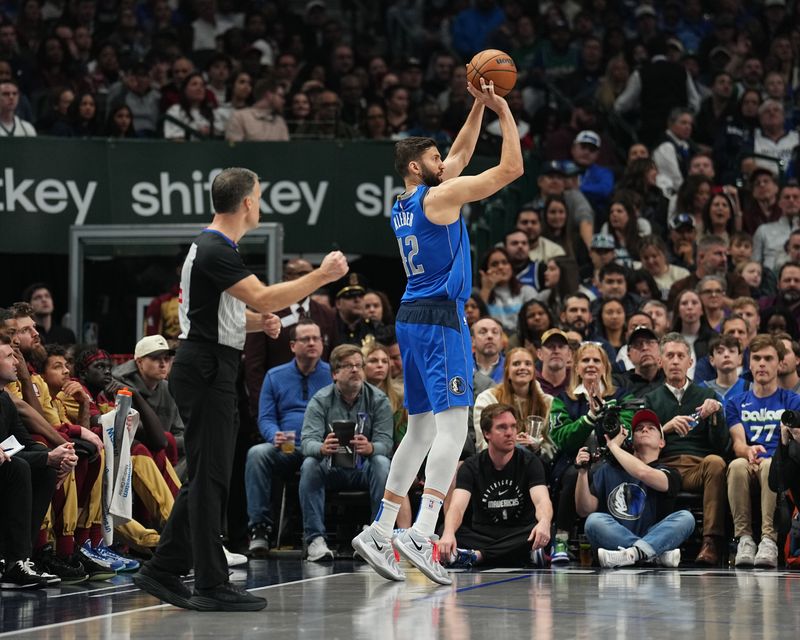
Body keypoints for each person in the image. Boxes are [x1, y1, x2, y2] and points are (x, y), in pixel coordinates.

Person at [133, 167, 348, 612]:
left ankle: (169, 567)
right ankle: (204, 580)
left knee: (211, 477)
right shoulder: (215, 248)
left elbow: (212, 312)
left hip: (211, 362)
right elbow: (265, 296)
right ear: (247, 202)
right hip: (207, 367)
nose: (261, 203)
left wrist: (254, 322)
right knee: (209, 477)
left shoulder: (215, 247)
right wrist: (322, 276)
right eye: (261, 196)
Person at [353, 77, 523, 585]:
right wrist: (505, 111)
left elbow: (459, 157)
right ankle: (422, 532)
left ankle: (381, 528)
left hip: (409, 318)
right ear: (416, 167)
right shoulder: (438, 200)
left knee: (422, 429)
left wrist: (477, 106)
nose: (444, 163)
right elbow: (510, 168)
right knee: (452, 429)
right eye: (434, 159)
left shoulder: (403, 205)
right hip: (440, 319)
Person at [245, 318, 331, 556]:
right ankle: (259, 530)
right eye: (306, 339)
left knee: (313, 464)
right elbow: (265, 418)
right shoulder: (275, 375)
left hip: (321, 447)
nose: (312, 343)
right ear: (293, 345)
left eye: (316, 338)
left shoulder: (333, 373)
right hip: (289, 446)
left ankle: (315, 537)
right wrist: (274, 435)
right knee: (257, 453)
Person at [299, 344, 393, 562]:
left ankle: (375, 536)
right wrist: (321, 448)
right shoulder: (320, 400)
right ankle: (315, 539)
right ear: (334, 373)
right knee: (310, 464)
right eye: (348, 366)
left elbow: (386, 443)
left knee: (381, 463)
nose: (355, 370)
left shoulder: (378, 400)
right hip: (332, 468)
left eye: (359, 365)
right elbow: (306, 443)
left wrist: (371, 448)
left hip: (363, 468)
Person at [643, 333, 729, 565]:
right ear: (660, 361)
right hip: (664, 467)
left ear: (690, 362)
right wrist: (665, 428)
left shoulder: (706, 395)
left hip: (696, 468)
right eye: (669, 355)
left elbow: (721, 446)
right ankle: (650, 540)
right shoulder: (650, 400)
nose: (675, 361)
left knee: (716, 462)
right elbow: (640, 444)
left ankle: (711, 542)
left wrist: (716, 416)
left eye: (681, 355)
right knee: (643, 469)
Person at [575, 409, 696, 568]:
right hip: (616, 537)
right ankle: (651, 554)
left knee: (686, 518)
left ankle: (632, 554)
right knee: (593, 521)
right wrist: (582, 473)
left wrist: (613, 447)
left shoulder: (669, 472)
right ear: (632, 441)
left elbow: (643, 472)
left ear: (662, 442)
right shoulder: (608, 469)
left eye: (651, 428)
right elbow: (584, 510)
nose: (645, 429)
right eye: (639, 429)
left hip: (651, 533)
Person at [438, 403, 553, 568]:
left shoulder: (530, 462)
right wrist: (448, 534)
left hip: (518, 531)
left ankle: (478, 556)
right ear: (486, 434)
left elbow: (542, 500)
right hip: (483, 533)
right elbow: (457, 507)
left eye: (513, 427)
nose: (510, 433)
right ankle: (516, 554)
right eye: (502, 427)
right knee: (444, 530)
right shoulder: (471, 466)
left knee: (543, 528)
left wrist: (544, 522)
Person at [725, 334, 800, 568]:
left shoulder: (792, 401)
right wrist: (747, 449)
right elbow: (737, 443)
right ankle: (744, 539)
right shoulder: (735, 402)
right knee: (736, 465)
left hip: (779, 464)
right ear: (749, 363)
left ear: (779, 364)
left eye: (768, 358)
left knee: (770, 465)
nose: (762, 364)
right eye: (756, 358)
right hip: (748, 461)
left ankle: (769, 539)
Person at [0, 337, 66, 588]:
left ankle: (18, 560)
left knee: (44, 468)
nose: (17, 362)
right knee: (19, 467)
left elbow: (23, 442)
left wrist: (58, 455)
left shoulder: (5, 400)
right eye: (9, 356)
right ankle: (13, 559)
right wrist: (44, 456)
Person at [473, 347, 555, 459]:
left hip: (538, 461)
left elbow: (553, 446)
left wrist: (536, 446)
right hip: (498, 462)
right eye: (516, 364)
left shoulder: (547, 402)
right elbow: (483, 445)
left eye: (528, 364)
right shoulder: (488, 399)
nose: (522, 367)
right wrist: (512, 442)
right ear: (507, 370)